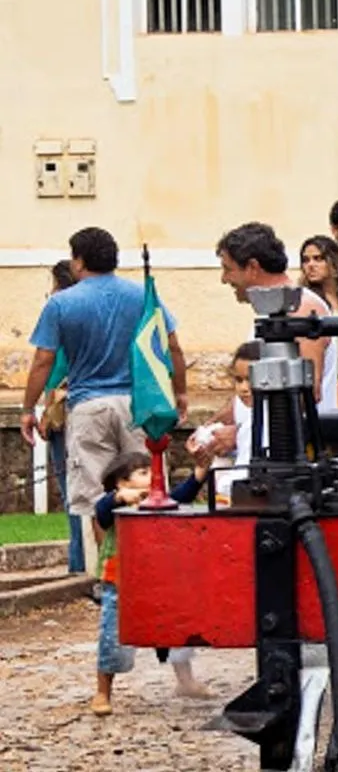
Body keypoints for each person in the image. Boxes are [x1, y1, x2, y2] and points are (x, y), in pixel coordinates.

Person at [20, 228, 188, 574]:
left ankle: (108, 574)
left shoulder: (62, 303)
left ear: (79, 260)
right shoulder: (142, 295)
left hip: (88, 405)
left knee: (95, 497)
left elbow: (43, 361)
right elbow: (171, 346)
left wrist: (28, 407)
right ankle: (154, 568)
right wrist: (180, 391)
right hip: (137, 403)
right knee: (148, 486)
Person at [91, 449, 213, 715]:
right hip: (120, 583)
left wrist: (200, 471)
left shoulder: (162, 500)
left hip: (160, 581)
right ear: (122, 482)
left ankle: (185, 680)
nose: (152, 477)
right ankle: (103, 691)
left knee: (177, 633)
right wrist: (119, 497)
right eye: (143, 473)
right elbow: (101, 511)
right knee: (112, 640)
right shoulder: (115, 505)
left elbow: (184, 495)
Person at [216, 222, 338, 410]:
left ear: (252, 267)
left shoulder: (301, 308)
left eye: (228, 269)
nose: (224, 279)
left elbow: (307, 395)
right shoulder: (273, 310)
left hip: (295, 438)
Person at [37, 260, 87, 574]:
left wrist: (38, 412)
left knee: (73, 495)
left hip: (67, 412)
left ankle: (78, 564)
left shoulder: (58, 314)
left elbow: (48, 368)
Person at [189, 341, 259, 503]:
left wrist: (221, 485)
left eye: (250, 380)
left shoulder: (258, 422)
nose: (243, 388)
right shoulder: (247, 414)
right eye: (239, 380)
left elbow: (246, 472)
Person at [298, 235, 338, 319]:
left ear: (333, 261)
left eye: (318, 259)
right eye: (306, 260)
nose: (310, 265)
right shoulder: (303, 298)